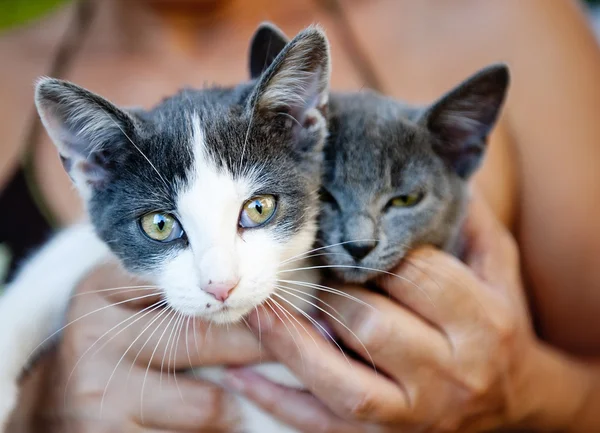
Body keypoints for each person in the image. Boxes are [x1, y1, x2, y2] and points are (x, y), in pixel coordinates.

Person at [3, 0, 600, 431]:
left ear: (305, 121)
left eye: (256, 210)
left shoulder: (503, 19)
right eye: (164, 227)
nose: (221, 280)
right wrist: (39, 407)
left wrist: (523, 394)